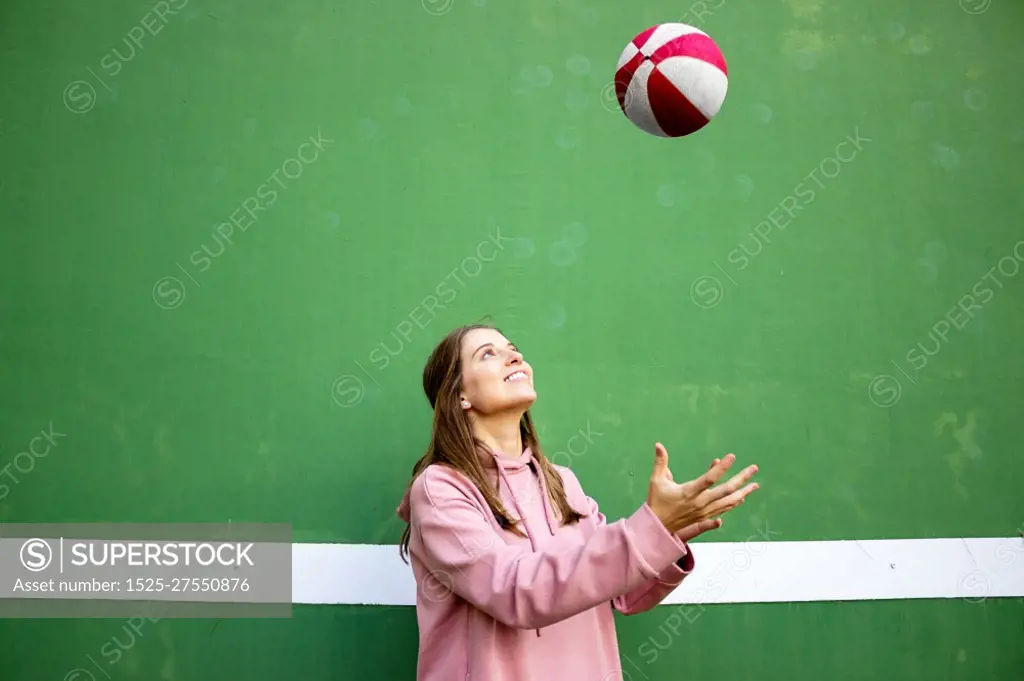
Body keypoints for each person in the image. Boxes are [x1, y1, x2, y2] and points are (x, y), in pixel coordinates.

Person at [396, 324, 760, 681]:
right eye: (489, 354)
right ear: (460, 395)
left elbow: (623, 594)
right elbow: (513, 591)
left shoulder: (562, 482)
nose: (513, 356)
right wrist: (648, 529)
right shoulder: (440, 490)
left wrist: (668, 534)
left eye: (513, 348)